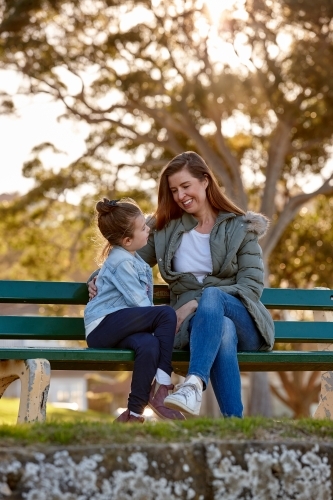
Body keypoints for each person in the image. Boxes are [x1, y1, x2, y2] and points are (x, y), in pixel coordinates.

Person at [88, 152, 275, 418]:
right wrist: (96, 278)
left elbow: (251, 286)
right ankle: (231, 420)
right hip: (194, 329)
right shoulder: (165, 229)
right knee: (222, 327)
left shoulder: (240, 227)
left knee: (214, 299)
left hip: (244, 319)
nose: (180, 195)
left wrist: (192, 304)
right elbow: (123, 256)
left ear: (205, 181)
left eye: (186, 186)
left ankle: (193, 384)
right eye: (174, 190)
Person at [84, 197, 185, 423]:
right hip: (103, 326)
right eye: (142, 228)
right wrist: (163, 325)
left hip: (118, 326)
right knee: (166, 314)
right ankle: (162, 384)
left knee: (147, 346)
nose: (148, 228)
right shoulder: (121, 261)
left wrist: (156, 337)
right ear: (128, 240)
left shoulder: (133, 258)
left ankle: (134, 414)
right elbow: (141, 304)